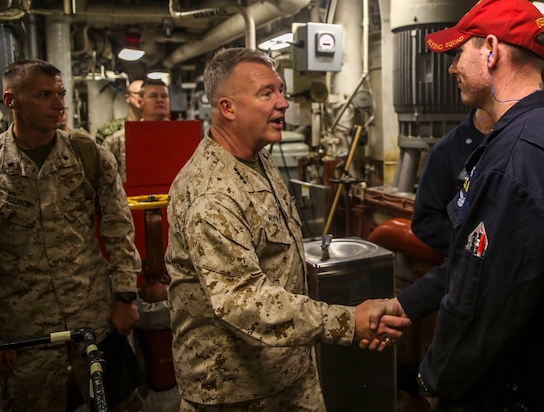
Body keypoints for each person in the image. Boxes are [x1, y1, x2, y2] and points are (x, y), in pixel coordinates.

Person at [364, 0, 544, 411]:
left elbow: (486, 308)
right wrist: (402, 303)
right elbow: (477, 264)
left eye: (459, 53)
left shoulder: (516, 157)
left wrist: (434, 377)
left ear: (491, 51)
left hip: (520, 394)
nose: (453, 67)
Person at [165, 47, 410, 412]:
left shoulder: (257, 157)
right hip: (236, 390)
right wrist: (349, 322)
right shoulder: (211, 193)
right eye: (267, 93)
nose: (283, 103)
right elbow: (246, 302)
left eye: (281, 90)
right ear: (227, 108)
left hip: (289, 370)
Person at [0, 59, 142, 411]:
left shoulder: (89, 155)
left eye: (61, 94)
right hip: (24, 325)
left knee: (120, 404)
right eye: (44, 95)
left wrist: (126, 297)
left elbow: (118, 229)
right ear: (11, 101)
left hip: (94, 314)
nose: (59, 104)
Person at [412, 108, 492, 257]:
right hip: (469, 271)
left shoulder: (524, 144)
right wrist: (479, 249)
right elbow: (426, 222)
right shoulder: (446, 152)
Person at [102, 78, 170, 182]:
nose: (160, 100)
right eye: (153, 96)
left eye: (164, 96)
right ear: (140, 101)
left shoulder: (182, 139)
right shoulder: (118, 141)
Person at [95, 79, 144, 144]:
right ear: (127, 98)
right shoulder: (109, 130)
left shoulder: (155, 129)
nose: (141, 98)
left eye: (144, 94)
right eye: (138, 94)